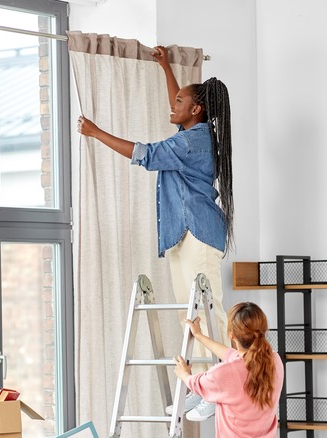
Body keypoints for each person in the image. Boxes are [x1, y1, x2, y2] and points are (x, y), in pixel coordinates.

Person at [77, 45, 233, 420]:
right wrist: (166, 67)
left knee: (211, 313)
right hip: (184, 234)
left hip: (200, 233)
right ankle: (202, 386)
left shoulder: (192, 141)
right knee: (192, 317)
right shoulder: (191, 130)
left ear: (196, 110)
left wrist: (96, 133)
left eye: (179, 101)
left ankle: (226, 383)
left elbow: (144, 154)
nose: (172, 105)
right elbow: (180, 108)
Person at [173, 302, 284, 436]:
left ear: (231, 334)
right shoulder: (275, 361)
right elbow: (232, 354)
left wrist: (184, 374)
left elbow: (196, 384)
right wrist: (200, 336)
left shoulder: (223, 372)